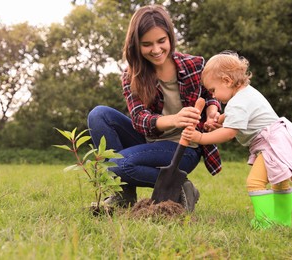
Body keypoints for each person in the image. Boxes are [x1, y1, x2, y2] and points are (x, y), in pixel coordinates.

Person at [87, 4, 222, 212]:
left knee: (117, 165)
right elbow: (139, 118)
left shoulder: (195, 65)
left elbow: (211, 95)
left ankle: (181, 187)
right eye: (147, 44)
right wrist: (174, 119)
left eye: (161, 41)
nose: (156, 50)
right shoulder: (132, 76)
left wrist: (213, 110)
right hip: (149, 139)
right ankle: (123, 195)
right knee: (99, 115)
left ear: (170, 37)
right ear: (136, 45)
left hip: (184, 148)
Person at [182, 51, 292, 227]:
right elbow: (236, 119)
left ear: (227, 81)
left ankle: (264, 223)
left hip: (271, 144)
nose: (213, 96)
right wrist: (219, 120)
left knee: (255, 182)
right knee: (280, 183)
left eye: (213, 90)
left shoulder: (238, 102)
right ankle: (283, 222)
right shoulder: (246, 94)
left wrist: (201, 137)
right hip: (279, 139)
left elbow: (229, 133)